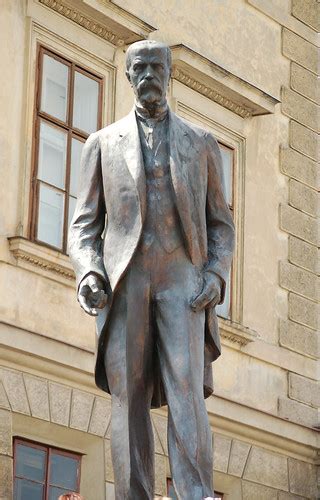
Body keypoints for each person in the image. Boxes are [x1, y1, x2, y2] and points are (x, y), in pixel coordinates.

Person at [69, 40, 234, 500]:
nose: (148, 75)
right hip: (126, 279)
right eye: (138, 67)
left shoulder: (201, 143)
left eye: (156, 66)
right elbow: (84, 224)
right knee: (129, 400)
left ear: (169, 73)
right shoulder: (100, 144)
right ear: (127, 76)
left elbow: (222, 224)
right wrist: (89, 273)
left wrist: (216, 275)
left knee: (186, 392)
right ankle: (133, 495)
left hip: (184, 277)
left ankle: (196, 493)